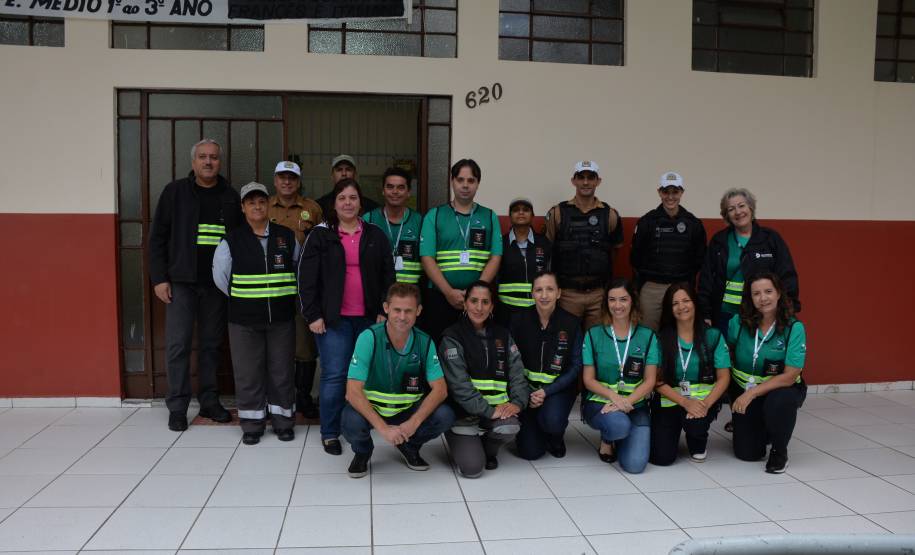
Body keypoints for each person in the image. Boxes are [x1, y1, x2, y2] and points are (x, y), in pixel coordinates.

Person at [298, 178, 395, 455]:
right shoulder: (320, 235)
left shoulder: (375, 234)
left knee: (364, 376)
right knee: (335, 375)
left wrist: (383, 311)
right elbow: (306, 279)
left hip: (369, 320)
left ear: (360, 203)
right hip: (333, 321)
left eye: (353, 198)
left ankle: (357, 425)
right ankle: (329, 432)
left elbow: (389, 275)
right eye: (342, 198)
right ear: (334, 204)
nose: (348, 203)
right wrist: (313, 315)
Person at [149, 138, 238, 431]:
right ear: (193, 162)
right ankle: (177, 406)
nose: (208, 162)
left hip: (216, 285)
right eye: (203, 157)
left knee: (212, 345)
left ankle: (210, 401)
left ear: (219, 162)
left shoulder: (230, 195)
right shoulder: (175, 193)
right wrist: (160, 278)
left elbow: (239, 241)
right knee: (178, 345)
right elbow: (158, 238)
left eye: (213, 157)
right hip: (182, 283)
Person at [213, 182, 298, 445]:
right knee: (248, 372)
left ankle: (283, 422)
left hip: (282, 318)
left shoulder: (286, 236)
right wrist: (245, 299)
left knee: (282, 370)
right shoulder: (231, 240)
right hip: (244, 320)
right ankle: (252, 424)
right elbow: (220, 276)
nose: (257, 206)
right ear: (243, 207)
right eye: (251, 202)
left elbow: (298, 267)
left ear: (268, 204)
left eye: (261, 201)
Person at [341, 283, 455, 478]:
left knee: (445, 415)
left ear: (418, 311)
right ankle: (363, 451)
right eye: (397, 310)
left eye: (408, 311)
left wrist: (413, 423)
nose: (402, 317)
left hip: (407, 410)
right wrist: (384, 429)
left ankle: (409, 445)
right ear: (386, 308)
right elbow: (352, 391)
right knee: (349, 420)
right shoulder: (369, 337)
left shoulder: (425, 341)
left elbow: (440, 390)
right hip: (373, 408)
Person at [439, 281, 531, 477]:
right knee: (472, 469)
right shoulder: (452, 337)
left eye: (485, 302)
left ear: (492, 306)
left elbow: (517, 373)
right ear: (465, 303)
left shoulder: (503, 334)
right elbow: (459, 387)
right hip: (463, 416)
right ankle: (465, 443)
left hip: (497, 413)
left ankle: (488, 448)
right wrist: (488, 411)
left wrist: (517, 403)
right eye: (473, 301)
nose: (479, 307)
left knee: (511, 427)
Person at [728, 272, 807, 474]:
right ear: (750, 298)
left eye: (768, 291)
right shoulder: (737, 323)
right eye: (756, 294)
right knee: (747, 454)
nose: (763, 298)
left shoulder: (794, 328)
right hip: (745, 389)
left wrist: (752, 393)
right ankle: (764, 429)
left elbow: (790, 375)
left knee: (779, 402)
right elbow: (729, 358)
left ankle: (779, 451)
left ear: (779, 293)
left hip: (779, 390)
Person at [420, 159, 503, 342]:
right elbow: (427, 258)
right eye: (460, 180)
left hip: (478, 301)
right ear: (452, 181)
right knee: (440, 346)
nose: (465, 185)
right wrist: (448, 291)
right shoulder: (434, 215)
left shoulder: (489, 216)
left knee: (476, 348)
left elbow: (495, 257)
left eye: (471, 180)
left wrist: (475, 293)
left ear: (478, 184)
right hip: (440, 298)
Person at [698, 188, 800, 336]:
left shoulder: (771, 239)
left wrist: (788, 310)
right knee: (725, 358)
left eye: (741, 206)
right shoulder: (719, 241)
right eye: (731, 209)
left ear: (750, 208)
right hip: (725, 315)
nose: (738, 212)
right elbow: (706, 280)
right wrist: (705, 314)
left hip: (761, 314)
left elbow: (787, 275)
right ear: (727, 215)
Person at [581, 278, 657, 474]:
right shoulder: (593, 334)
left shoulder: (648, 336)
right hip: (600, 403)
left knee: (635, 465)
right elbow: (588, 380)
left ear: (633, 301)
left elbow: (650, 381)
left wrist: (626, 402)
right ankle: (608, 438)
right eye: (612, 300)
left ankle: (621, 438)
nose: (617, 305)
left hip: (635, 404)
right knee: (619, 425)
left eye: (623, 299)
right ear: (606, 303)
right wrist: (614, 397)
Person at [649, 283, 730, 465]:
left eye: (686, 300)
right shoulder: (661, 338)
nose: (681, 307)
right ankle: (674, 429)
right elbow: (656, 380)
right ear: (670, 309)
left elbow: (724, 378)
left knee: (695, 425)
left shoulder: (713, 335)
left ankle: (697, 440)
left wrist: (704, 405)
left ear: (695, 303)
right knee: (661, 459)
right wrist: (686, 402)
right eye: (675, 303)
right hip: (671, 400)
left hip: (703, 401)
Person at [267, 160, 322, 420]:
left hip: (302, 288)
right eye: (282, 177)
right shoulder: (263, 207)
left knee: (305, 345)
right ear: (275, 180)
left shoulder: (312, 209)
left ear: (299, 181)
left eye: (292, 178)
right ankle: (276, 397)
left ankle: (303, 397)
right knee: (273, 342)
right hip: (270, 288)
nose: (287, 182)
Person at [510, 272, 581, 460]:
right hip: (527, 390)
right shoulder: (518, 321)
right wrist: (525, 392)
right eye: (539, 290)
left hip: (558, 390)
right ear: (532, 293)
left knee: (553, 421)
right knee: (530, 453)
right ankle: (536, 428)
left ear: (559, 293)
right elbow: (511, 363)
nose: (544, 295)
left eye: (550, 289)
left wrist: (547, 392)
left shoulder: (572, 323)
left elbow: (575, 366)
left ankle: (555, 436)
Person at [545, 160, 624, 330]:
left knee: (596, 345)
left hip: (598, 294)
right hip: (567, 294)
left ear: (598, 181)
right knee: (565, 343)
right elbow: (547, 250)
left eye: (591, 177)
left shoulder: (610, 215)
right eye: (581, 177)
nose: (586, 182)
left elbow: (615, 252)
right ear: (573, 181)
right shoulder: (558, 213)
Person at [630, 172, 707, 331]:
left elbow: (699, 258)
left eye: (675, 192)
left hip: (681, 287)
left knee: (681, 332)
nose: (670, 197)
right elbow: (635, 257)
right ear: (659, 192)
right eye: (666, 191)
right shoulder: (647, 221)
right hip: (652, 288)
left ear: (682, 192)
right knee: (647, 334)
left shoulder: (693, 223)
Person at [495, 197, 551, 325]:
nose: (521, 213)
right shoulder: (500, 244)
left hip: (538, 310)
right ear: (510, 216)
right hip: (506, 312)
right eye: (516, 210)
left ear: (533, 216)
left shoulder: (544, 243)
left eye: (525, 210)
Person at [363, 167, 424, 285]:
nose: (395, 191)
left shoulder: (420, 221)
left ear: (409, 192)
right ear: (383, 191)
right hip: (377, 291)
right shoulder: (368, 219)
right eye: (390, 187)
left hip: (411, 294)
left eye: (400, 187)